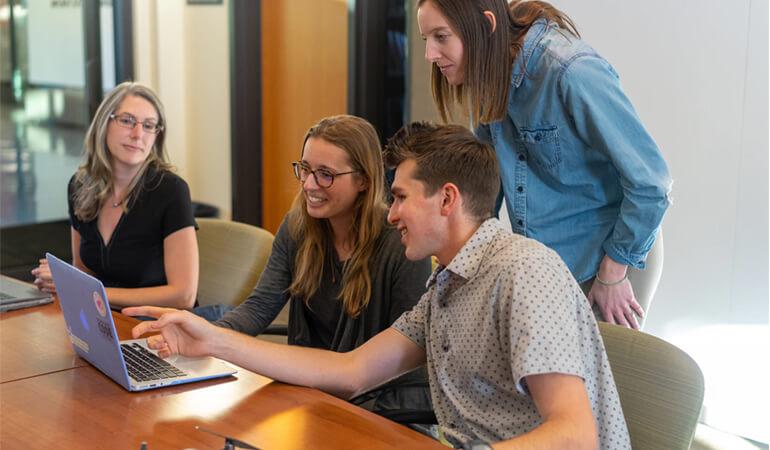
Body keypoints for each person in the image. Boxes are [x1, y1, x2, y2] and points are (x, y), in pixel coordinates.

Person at [126, 123, 631, 449]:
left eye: (401, 197)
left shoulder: (524, 270)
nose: (391, 215)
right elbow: (351, 371)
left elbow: (574, 434)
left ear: (447, 199)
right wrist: (212, 340)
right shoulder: (445, 287)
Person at [416, 0, 672, 330]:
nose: (430, 55)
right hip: (549, 267)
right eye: (426, 39)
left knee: (604, 365)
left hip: (610, 262)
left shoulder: (572, 71)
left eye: (441, 37)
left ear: (487, 25)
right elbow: (485, 184)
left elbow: (652, 183)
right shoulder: (489, 78)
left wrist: (613, 272)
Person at [197, 115, 433, 413]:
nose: (309, 184)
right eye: (305, 169)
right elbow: (260, 306)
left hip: (380, 407)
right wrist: (205, 336)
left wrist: (216, 341)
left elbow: (406, 363)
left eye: (325, 174)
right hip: (308, 393)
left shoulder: (401, 244)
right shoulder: (297, 227)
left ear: (364, 180)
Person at [31, 81, 198, 309]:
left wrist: (87, 290)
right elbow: (84, 271)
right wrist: (62, 278)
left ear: (156, 136)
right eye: (127, 121)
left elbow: (183, 297)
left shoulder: (171, 190)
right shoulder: (80, 186)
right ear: (104, 123)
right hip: (100, 315)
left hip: (156, 322)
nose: (138, 134)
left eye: (148, 126)